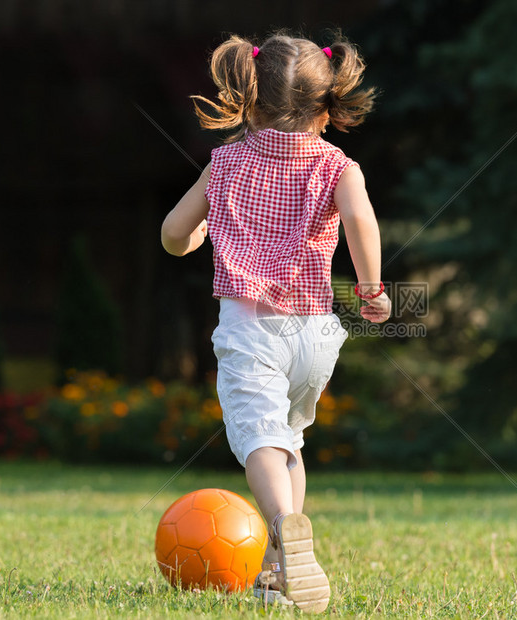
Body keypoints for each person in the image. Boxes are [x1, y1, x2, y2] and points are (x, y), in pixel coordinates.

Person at [160, 32, 390, 613]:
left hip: (251, 327)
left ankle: (286, 527)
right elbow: (362, 222)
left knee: (258, 436)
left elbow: (171, 233)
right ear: (325, 103)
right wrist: (371, 289)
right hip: (315, 332)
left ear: (250, 96)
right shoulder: (339, 165)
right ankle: (285, 566)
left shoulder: (229, 161)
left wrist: (196, 238)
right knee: (290, 438)